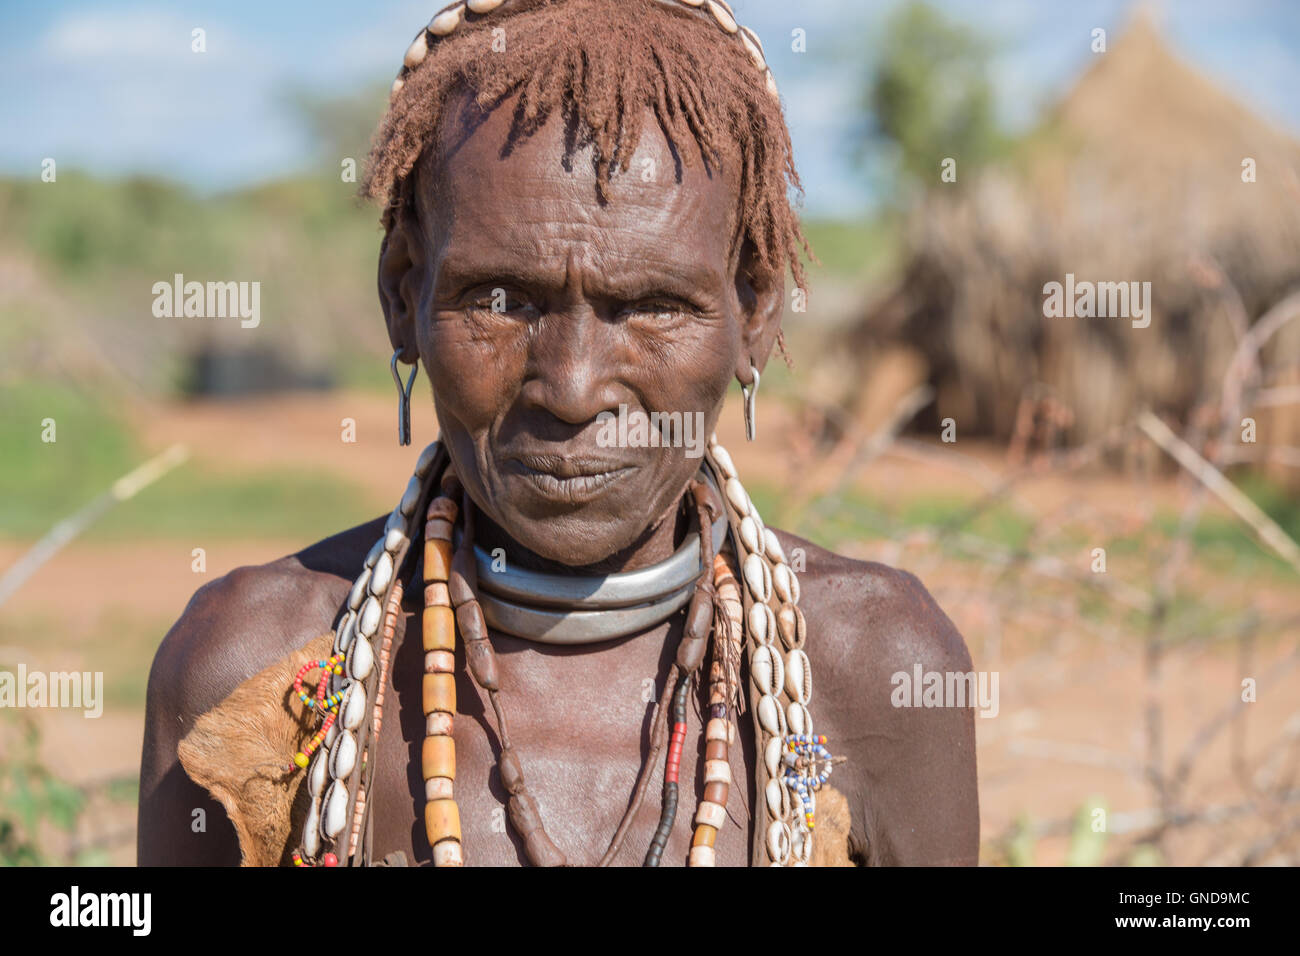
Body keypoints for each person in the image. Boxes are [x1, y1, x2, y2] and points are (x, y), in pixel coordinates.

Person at [137, 0, 979, 867]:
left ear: (754, 313)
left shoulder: (879, 671)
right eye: (502, 302)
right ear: (403, 297)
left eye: (652, 307)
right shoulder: (252, 676)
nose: (573, 389)